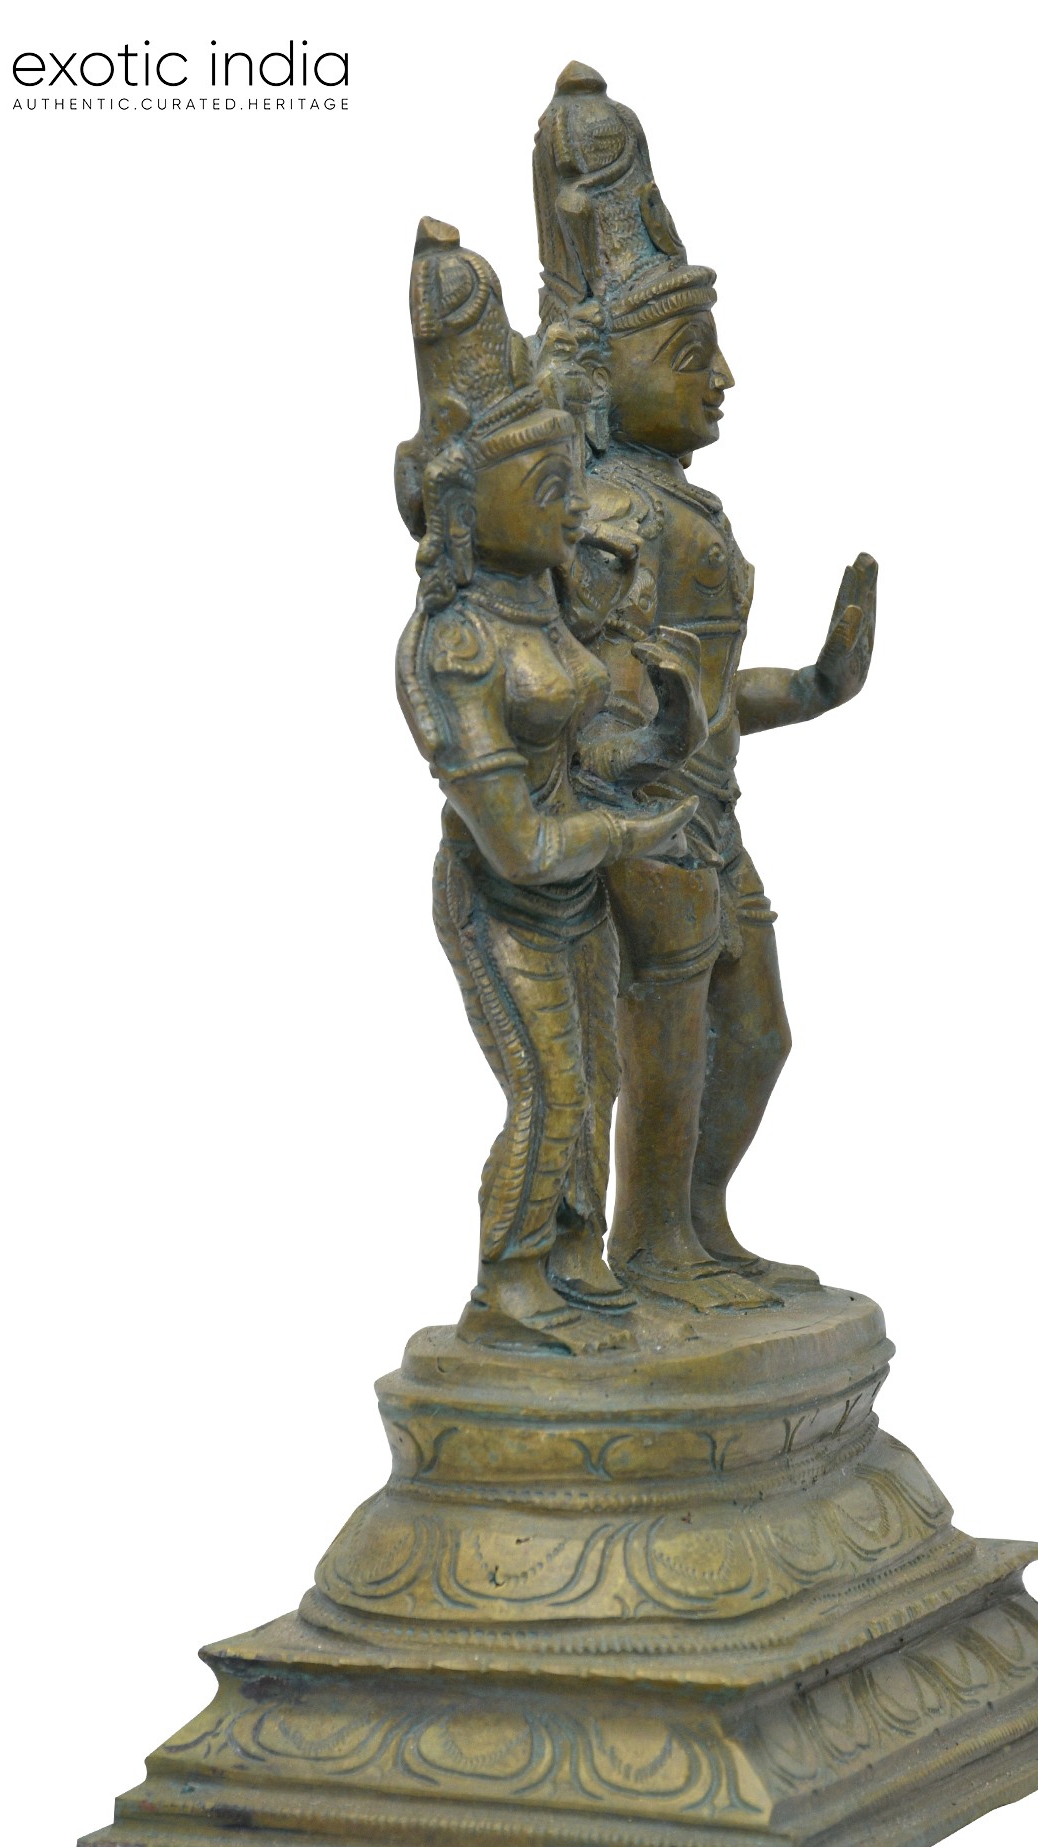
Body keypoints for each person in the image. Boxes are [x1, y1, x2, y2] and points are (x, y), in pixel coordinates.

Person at [533, 65, 879, 1310]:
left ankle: (698, 1222)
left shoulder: (685, 508)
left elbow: (712, 699)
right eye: (691, 356)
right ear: (603, 377)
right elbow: (592, 691)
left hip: (708, 811)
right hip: (644, 821)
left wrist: (818, 684)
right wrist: (646, 736)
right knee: (667, 1030)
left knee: (758, 1032)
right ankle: (654, 1245)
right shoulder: (604, 514)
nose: (722, 375)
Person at [395, 217, 699, 1349]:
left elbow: (583, 762)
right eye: (549, 482)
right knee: (551, 1089)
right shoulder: (459, 644)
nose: (574, 505)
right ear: (473, 500)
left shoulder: (543, 606)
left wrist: (662, 733)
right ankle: (511, 1280)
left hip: (572, 892)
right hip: (504, 900)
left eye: (573, 477)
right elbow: (517, 840)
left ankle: (575, 1252)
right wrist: (631, 836)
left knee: (598, 1079)